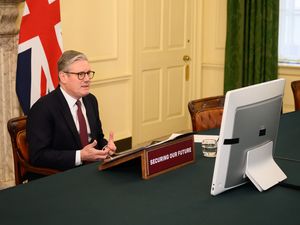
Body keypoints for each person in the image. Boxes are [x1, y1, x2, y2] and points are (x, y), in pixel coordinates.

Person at [26, 50, 116, 171]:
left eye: (88, 73)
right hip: (61, 175)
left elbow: (97, 138)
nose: (87, 79)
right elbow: (38, 156)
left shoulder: (91, 100)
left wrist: (106, 147)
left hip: (94, 169)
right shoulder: (43, 108)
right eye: (80, 74)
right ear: (63, 77)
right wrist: (80, 156)